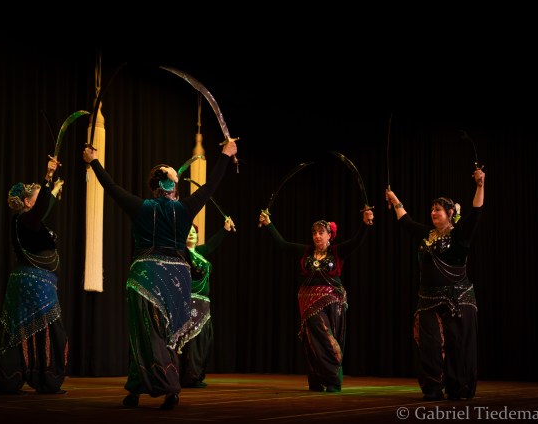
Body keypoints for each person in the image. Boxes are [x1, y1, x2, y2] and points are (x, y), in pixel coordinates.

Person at [82, 140, 237, 410]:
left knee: (144, 333)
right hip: (177, 281)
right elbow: (211, 185)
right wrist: (225, 154)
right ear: (173, 187)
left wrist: (93, 161)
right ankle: (153, 387)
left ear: (153, 187)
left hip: (146, 276)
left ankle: (155, 385)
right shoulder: (186, 207)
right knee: (167, 336)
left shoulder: (141, 207)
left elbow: (111, 187)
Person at [384, 167, 485, 401]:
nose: (433, 213)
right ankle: (432, 388)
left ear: (450, 213)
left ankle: (458, 388)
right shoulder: (427, 234)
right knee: (428, 345)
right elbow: (406, 221)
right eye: (431, 209)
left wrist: (480, 185)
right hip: (428, 299)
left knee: (457, 345)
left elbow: (476, 212)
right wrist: (394, 199)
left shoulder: (460, 235)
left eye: (437, 209)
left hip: (457, 298)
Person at [258, 207, 374, 392]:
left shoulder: (337, 252)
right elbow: (283, 244)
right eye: (314, 233)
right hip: (309, 302)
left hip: (333, 301)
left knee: (329, 337)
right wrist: (268, 224)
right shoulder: (306, 252)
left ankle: (331, 379)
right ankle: (321, 379)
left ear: (329, 235)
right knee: (315, 339)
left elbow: (356, 241)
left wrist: (365, 224)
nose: (317, 236)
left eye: (321, 233)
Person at [0, 157, 68, 395]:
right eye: (36, 198)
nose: (41, 202)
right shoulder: (25, 219)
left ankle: (12, 379)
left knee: (23, 329)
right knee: (50, 331)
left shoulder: (26, 222)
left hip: (25, 282)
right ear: (26, 202)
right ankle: (46, 380)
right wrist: (48, 176)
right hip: (35, 284)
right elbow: (42, 207)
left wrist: (52, 188)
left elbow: (44, 206)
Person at [177, 217, 235, 388]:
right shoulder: (182, 253)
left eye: (194, 232)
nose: (191, 234)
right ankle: (188, 377)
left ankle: (197, 375)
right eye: (188, 232)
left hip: (204, 304)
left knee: (204, 341)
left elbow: (211, 244)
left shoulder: (199, 253)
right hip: (190, 302)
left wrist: (225, 229)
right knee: (191, 342)